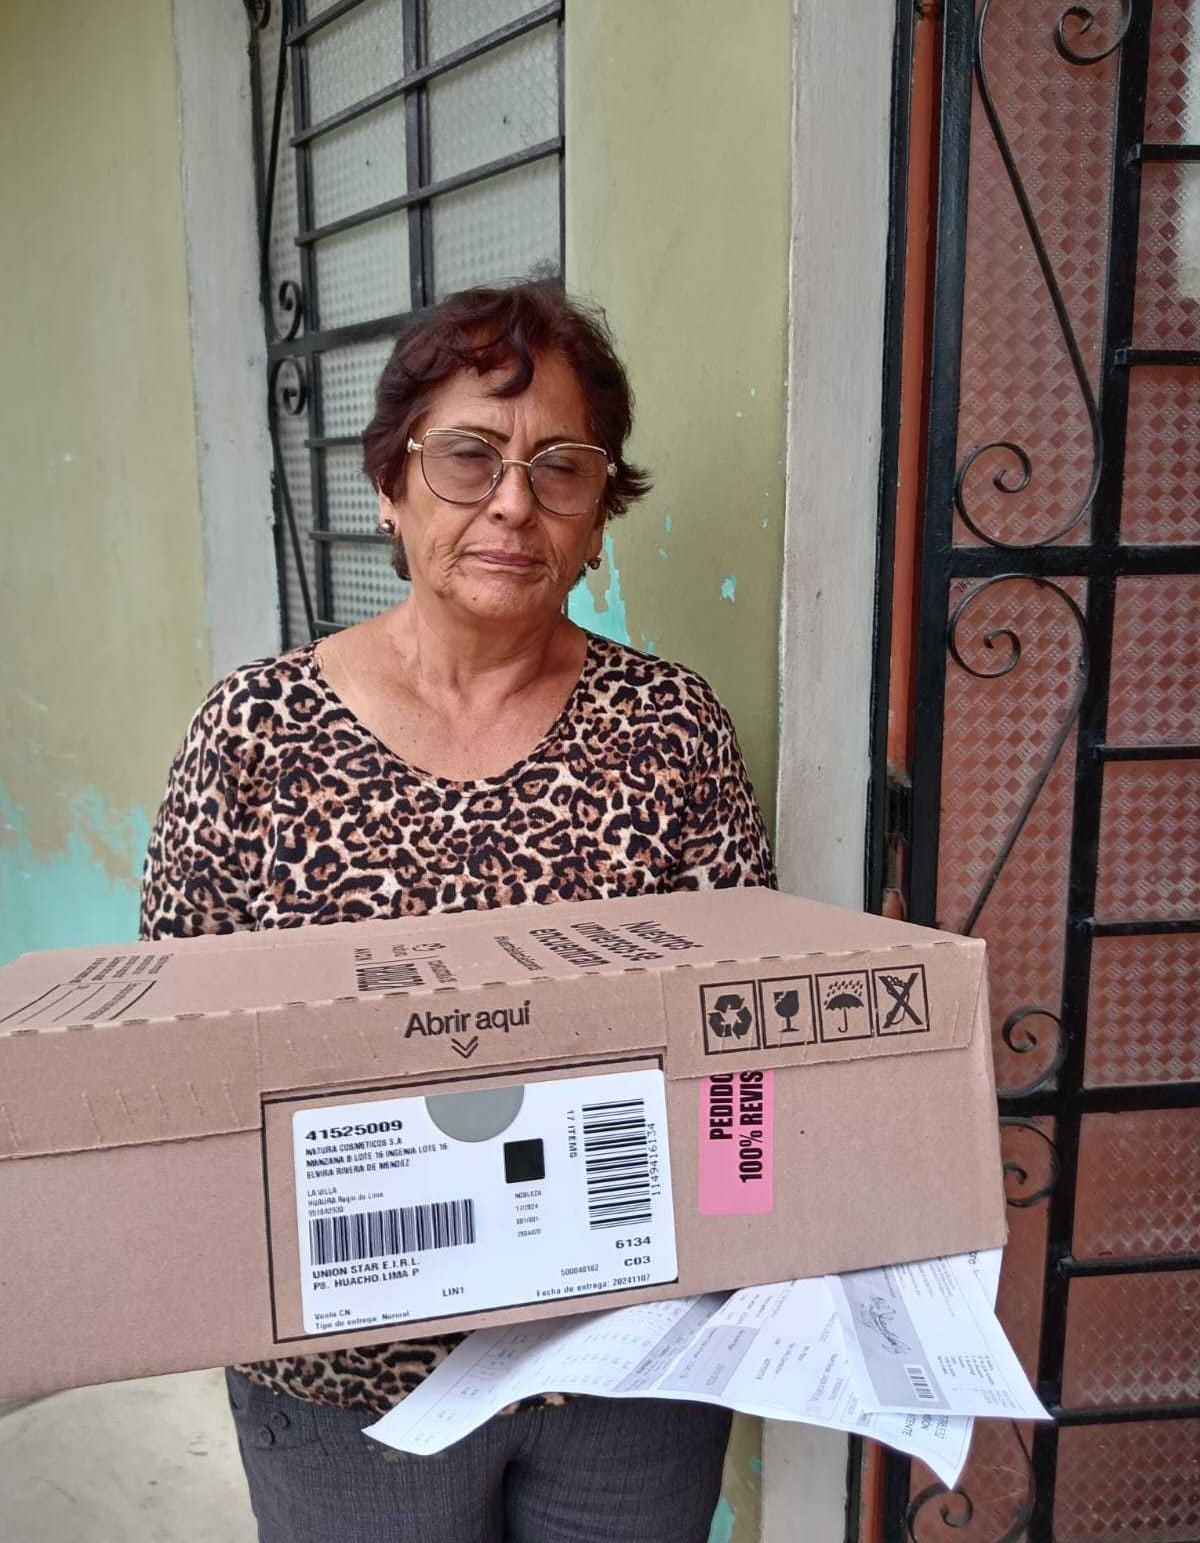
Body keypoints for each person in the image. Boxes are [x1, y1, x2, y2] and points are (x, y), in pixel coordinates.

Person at [140, 279, 775, 1543]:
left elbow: (739, 1044)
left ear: (599, 515)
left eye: (561, 467)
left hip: (626, 1360)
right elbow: (173, 1060)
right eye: (468, 456)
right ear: (391, 484)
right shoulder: (255, 734)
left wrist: (750, 1245)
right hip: (349, 1384)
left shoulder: (672, 730)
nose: (513, 504)